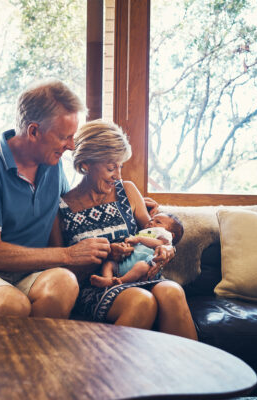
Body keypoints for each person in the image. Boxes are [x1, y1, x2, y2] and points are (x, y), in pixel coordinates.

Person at [0, 79, 112, 318]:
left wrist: (125, 199)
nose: (71, 145)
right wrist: (68, 255)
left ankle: (34, 356)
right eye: (64, 136)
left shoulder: (52, 165)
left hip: (26, 273)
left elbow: (71, 207)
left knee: (64, 282)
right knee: (11, 304)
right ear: (34, 131)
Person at [51, 119, 198, 340]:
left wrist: (167, 250)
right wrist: (104, 255)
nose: (118, 176)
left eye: (120, 167)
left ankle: (191, 374)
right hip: (97, 286)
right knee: (141, 301)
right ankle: (102, 374)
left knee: (171, 291)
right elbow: (60, 270)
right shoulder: (61, 208)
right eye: (111, 167)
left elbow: (154, 233)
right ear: (86, 163)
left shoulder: (127, 191)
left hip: (143, 274)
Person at [90, 212, 184, 288]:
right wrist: (125, 246)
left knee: (141, 266)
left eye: (158, 222)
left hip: (145, 269)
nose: (151, 222)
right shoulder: (143, 233)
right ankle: (108, 280)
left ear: (171, 234)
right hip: (124, 264)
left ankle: (120, 282)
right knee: (109, 264)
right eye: (151, 220)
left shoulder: (164, 237)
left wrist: (139, 239)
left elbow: (160, 244)